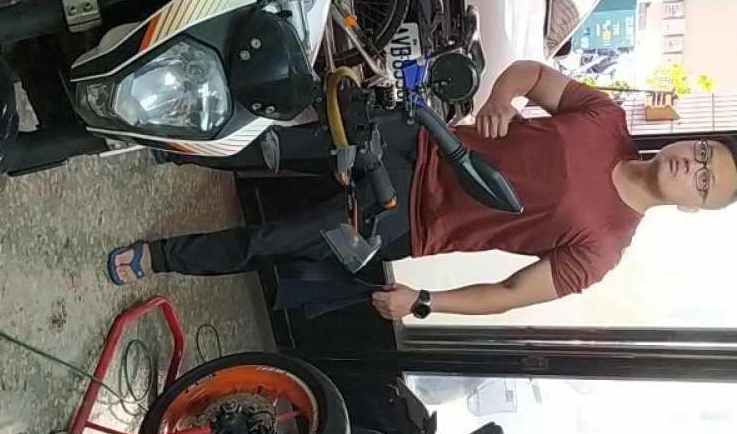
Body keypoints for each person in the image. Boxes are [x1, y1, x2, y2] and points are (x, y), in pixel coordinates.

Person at [106, 60, 737, 320]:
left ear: (692, 207)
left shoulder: (603, 249)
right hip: (414, 140)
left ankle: (159, 257)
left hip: (407, 220)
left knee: (272, 241)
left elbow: (509, 294)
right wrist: (500, 97)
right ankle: (158, 141)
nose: (693, 166)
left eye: (704, 182)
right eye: (703, 153)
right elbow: (529, 74)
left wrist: (423, 300)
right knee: (274, 147)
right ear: (690, 141)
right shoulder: (607, 119)